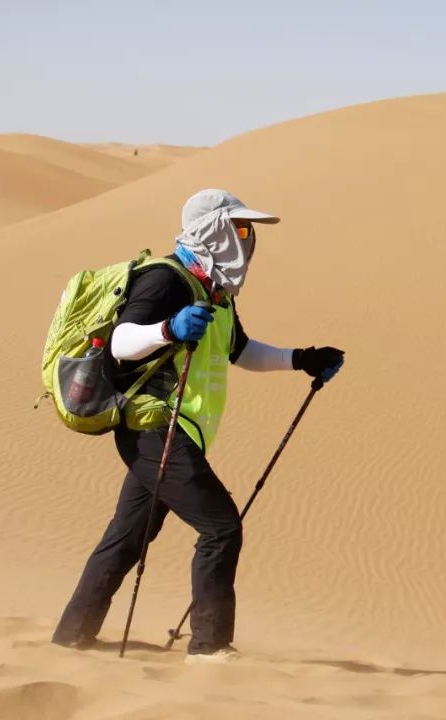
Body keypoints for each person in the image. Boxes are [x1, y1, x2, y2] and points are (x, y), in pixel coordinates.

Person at [52, 188, 345, 663]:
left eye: (248, 231)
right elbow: (123, 342)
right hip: (154, 428)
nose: (247, 240)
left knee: (127, 539)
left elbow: (239, 350)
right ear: (212, 231)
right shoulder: (167, 281)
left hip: (178, 434)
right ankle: (209, 649)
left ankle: (71, 638)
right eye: (239, 228)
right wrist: (167, 330)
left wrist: (302, 360)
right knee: (220, 528)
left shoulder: (216, 294)